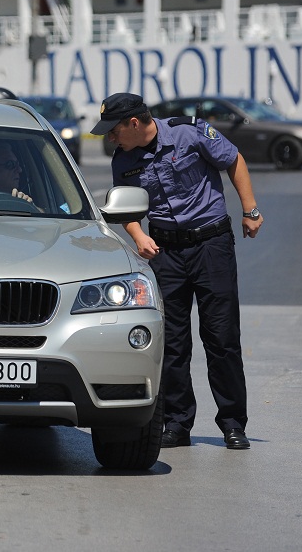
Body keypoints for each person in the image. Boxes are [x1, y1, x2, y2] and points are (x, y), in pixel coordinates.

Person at [91, 92, 263, 450]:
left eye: (114, 130)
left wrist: (250, 210)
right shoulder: (124, 159)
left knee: (221, 338)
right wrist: (138, 236)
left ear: (134, 124)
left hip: (211, 245)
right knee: (172, 342)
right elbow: (127, 207)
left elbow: (233, 160)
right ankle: (177, 422)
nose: (110, 138)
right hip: (166, 252)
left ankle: (233, 423)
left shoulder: (190, 133)